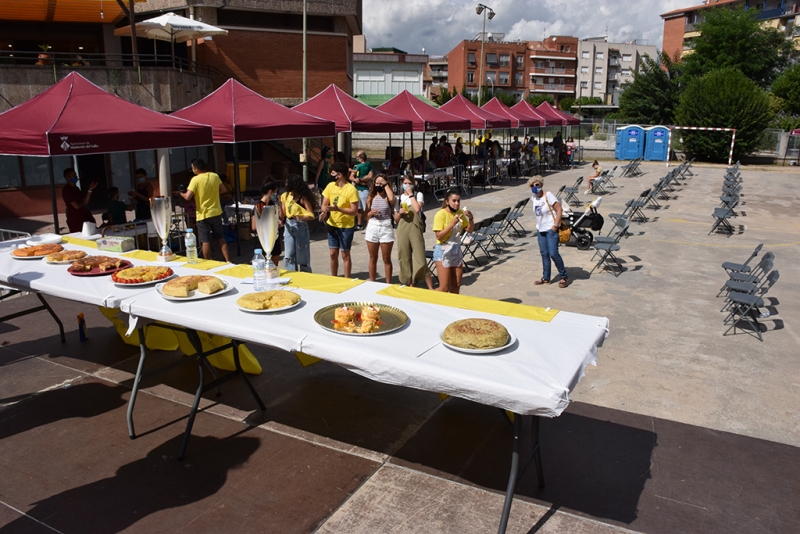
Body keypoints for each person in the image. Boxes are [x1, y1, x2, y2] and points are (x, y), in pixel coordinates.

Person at [180, 158, 231, 263]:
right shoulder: (214, 176)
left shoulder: (195, 180)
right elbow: (224, 190)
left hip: (203, 214)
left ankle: (207, 261)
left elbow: (188, 197)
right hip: (216, 212)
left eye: (193, 168)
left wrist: (181, 193)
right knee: (220, 238)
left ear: (196, 168)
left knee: (205, 240)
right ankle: (228, 260)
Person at [319, 161, 359, 277]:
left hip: (346, 227)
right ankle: (334, 278)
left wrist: (338, 209)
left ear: (340, 174)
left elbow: (354, 211)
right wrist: (324, 211)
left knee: (345, 254)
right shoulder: (330, 186)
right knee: (332, 253)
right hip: (332, 224)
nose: (331, 175)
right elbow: (324, 204)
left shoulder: (351, 190)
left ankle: (346, 279)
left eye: (333, 173)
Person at [395, 175, 433, 289]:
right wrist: (399, 213)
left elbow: (417, 209)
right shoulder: (399, 198)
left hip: (415, 227)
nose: (407, 185)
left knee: (420, 257)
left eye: (409, 183)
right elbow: (396, 219)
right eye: (405, 183)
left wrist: (411, 194)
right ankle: (409, 283)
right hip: (402, 228)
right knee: (404, 256)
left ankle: (429, 285)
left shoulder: (418, 195)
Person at [432, 189, 474, 294]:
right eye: (454, 201)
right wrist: (452, 223)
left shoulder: (460, 213)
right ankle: (428, 301)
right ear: (447, 201)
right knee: (444, 288)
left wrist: (471, 218)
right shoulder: (440, 214)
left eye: (458, 201)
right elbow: (439, 236)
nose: (457, 203)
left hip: (455, 250)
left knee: (456, 285)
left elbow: (469, 230)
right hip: (443, 251)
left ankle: (451, 308)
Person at [530, 176, 569, 288]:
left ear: (541, 185)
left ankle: (563, 276)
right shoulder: (534, 198)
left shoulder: (548, 195)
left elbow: (559, 209)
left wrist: (556, 225)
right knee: (544, 254)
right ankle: (546, 277)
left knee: (553, 253)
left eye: (537, 185)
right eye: (532, 186)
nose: (534, 187)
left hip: (551, 229)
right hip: (540, 229)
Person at [281, 174, 317, 272]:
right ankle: (291, 275)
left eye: (288, 182)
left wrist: (299, 217)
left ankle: (305, 276)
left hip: (300, 226)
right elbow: (284, 212)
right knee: (289, 255)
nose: (286, 184)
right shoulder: (285, 196)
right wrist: (280, 218)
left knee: (302, 255)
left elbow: (311, 215)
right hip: (288, 226)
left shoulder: (302, 198)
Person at [364, 174, 395, 283]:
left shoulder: (387, 196)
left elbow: (392, 199)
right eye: (376, 183)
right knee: (373, 257)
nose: (378, 185)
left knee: (386, 258)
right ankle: (372, 282)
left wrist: (384, 183)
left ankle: (388, 283)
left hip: (385, 227)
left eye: (380, 183)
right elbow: (365, 215)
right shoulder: (371, 197)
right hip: (373, 226)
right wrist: (372, 212)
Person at [251, 181, 285, 266]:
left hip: (274, 238)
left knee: (274, 266)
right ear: (270, 192)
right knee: (262, 266)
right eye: (275, 192)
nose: (276, 194)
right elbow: (254, 227)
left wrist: (280, 204)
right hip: (263, 239)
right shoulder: (259, 206)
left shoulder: (272, 204)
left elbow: (281, 217)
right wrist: (270, 224)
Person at [62, 167, 98, 233]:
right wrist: (82, 203)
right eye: (73, 175)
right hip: (75, 217)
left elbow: (85, 201)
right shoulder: (67, 190)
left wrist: (90, 190)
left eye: (75, 175)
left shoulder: (76, 188)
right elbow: (76, 206)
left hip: (83, 215)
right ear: (67, 177)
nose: (75, 177)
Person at [350, 151, 374, 230]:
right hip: (357, 189)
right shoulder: (358, 166)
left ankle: (368, 225)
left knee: (366, 208)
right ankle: (359, 225)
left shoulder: (366, 165)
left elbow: (369, 176)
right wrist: (357, 180)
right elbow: (351, 177)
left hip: (364, 190)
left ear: (361, 157)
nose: (356, 158)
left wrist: (359, 180)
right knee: (358, 208)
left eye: (357, 157)